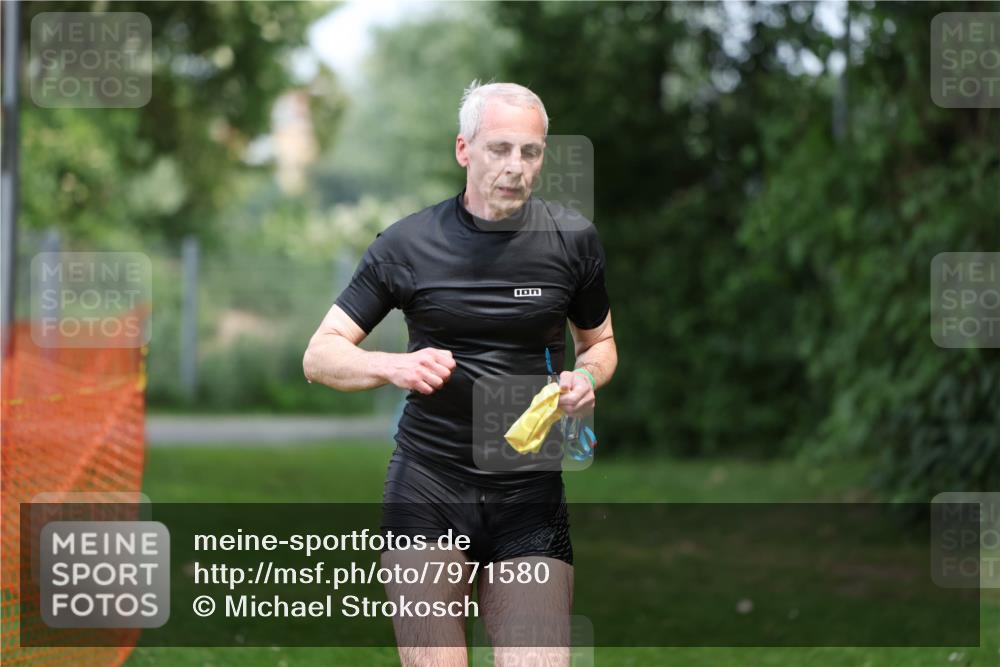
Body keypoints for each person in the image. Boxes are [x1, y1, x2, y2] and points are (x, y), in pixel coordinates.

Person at [303, 80, 617, 667]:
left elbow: (599, 343)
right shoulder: (406, 245)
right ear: (463, 150)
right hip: (429, 487)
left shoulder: (573, 241)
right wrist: (391, 364)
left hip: (528, 492)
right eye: (499, 148)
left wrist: (588, 378)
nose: (516, 167)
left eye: (531, 151)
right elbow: (320, 355)